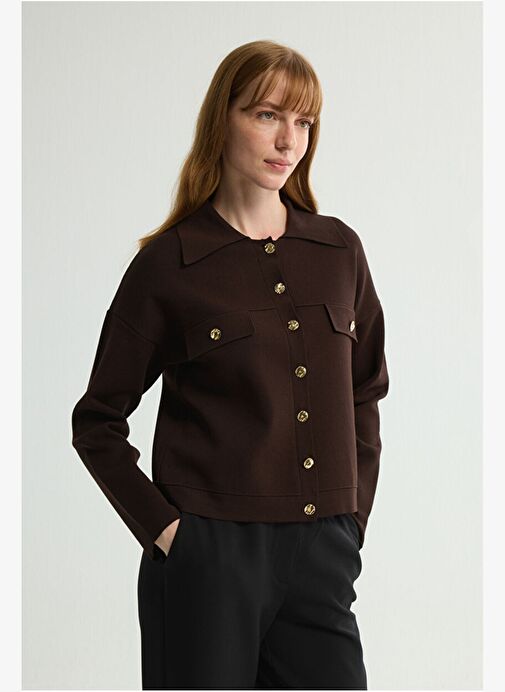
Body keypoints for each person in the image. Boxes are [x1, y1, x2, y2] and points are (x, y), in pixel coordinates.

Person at [71, 39, 390, 690]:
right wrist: (169, 534)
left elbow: (365, 391)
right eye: (267, 115)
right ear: (224, 119)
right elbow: (97, 421)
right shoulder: (169, 264)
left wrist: (349, 522)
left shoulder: (338, 250)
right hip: (208, 562)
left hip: (321, 554)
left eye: (303, 122)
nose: (288, 140)